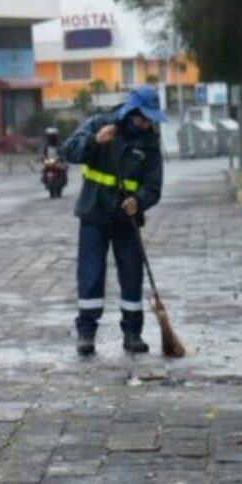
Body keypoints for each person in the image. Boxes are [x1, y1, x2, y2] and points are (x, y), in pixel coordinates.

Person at [62, 86, 165, 357]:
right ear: (131, 111)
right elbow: (70, 152)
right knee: (91, 274)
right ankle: (86, 333)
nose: (145, 123)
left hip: (126, 219)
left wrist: (139, 200)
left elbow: (154, 186)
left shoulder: (150, 141)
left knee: (132, 274)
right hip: (94, 213)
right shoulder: (100, 124)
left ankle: (133, 334)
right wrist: (95, 141)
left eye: (149, 118)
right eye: (142, 117)